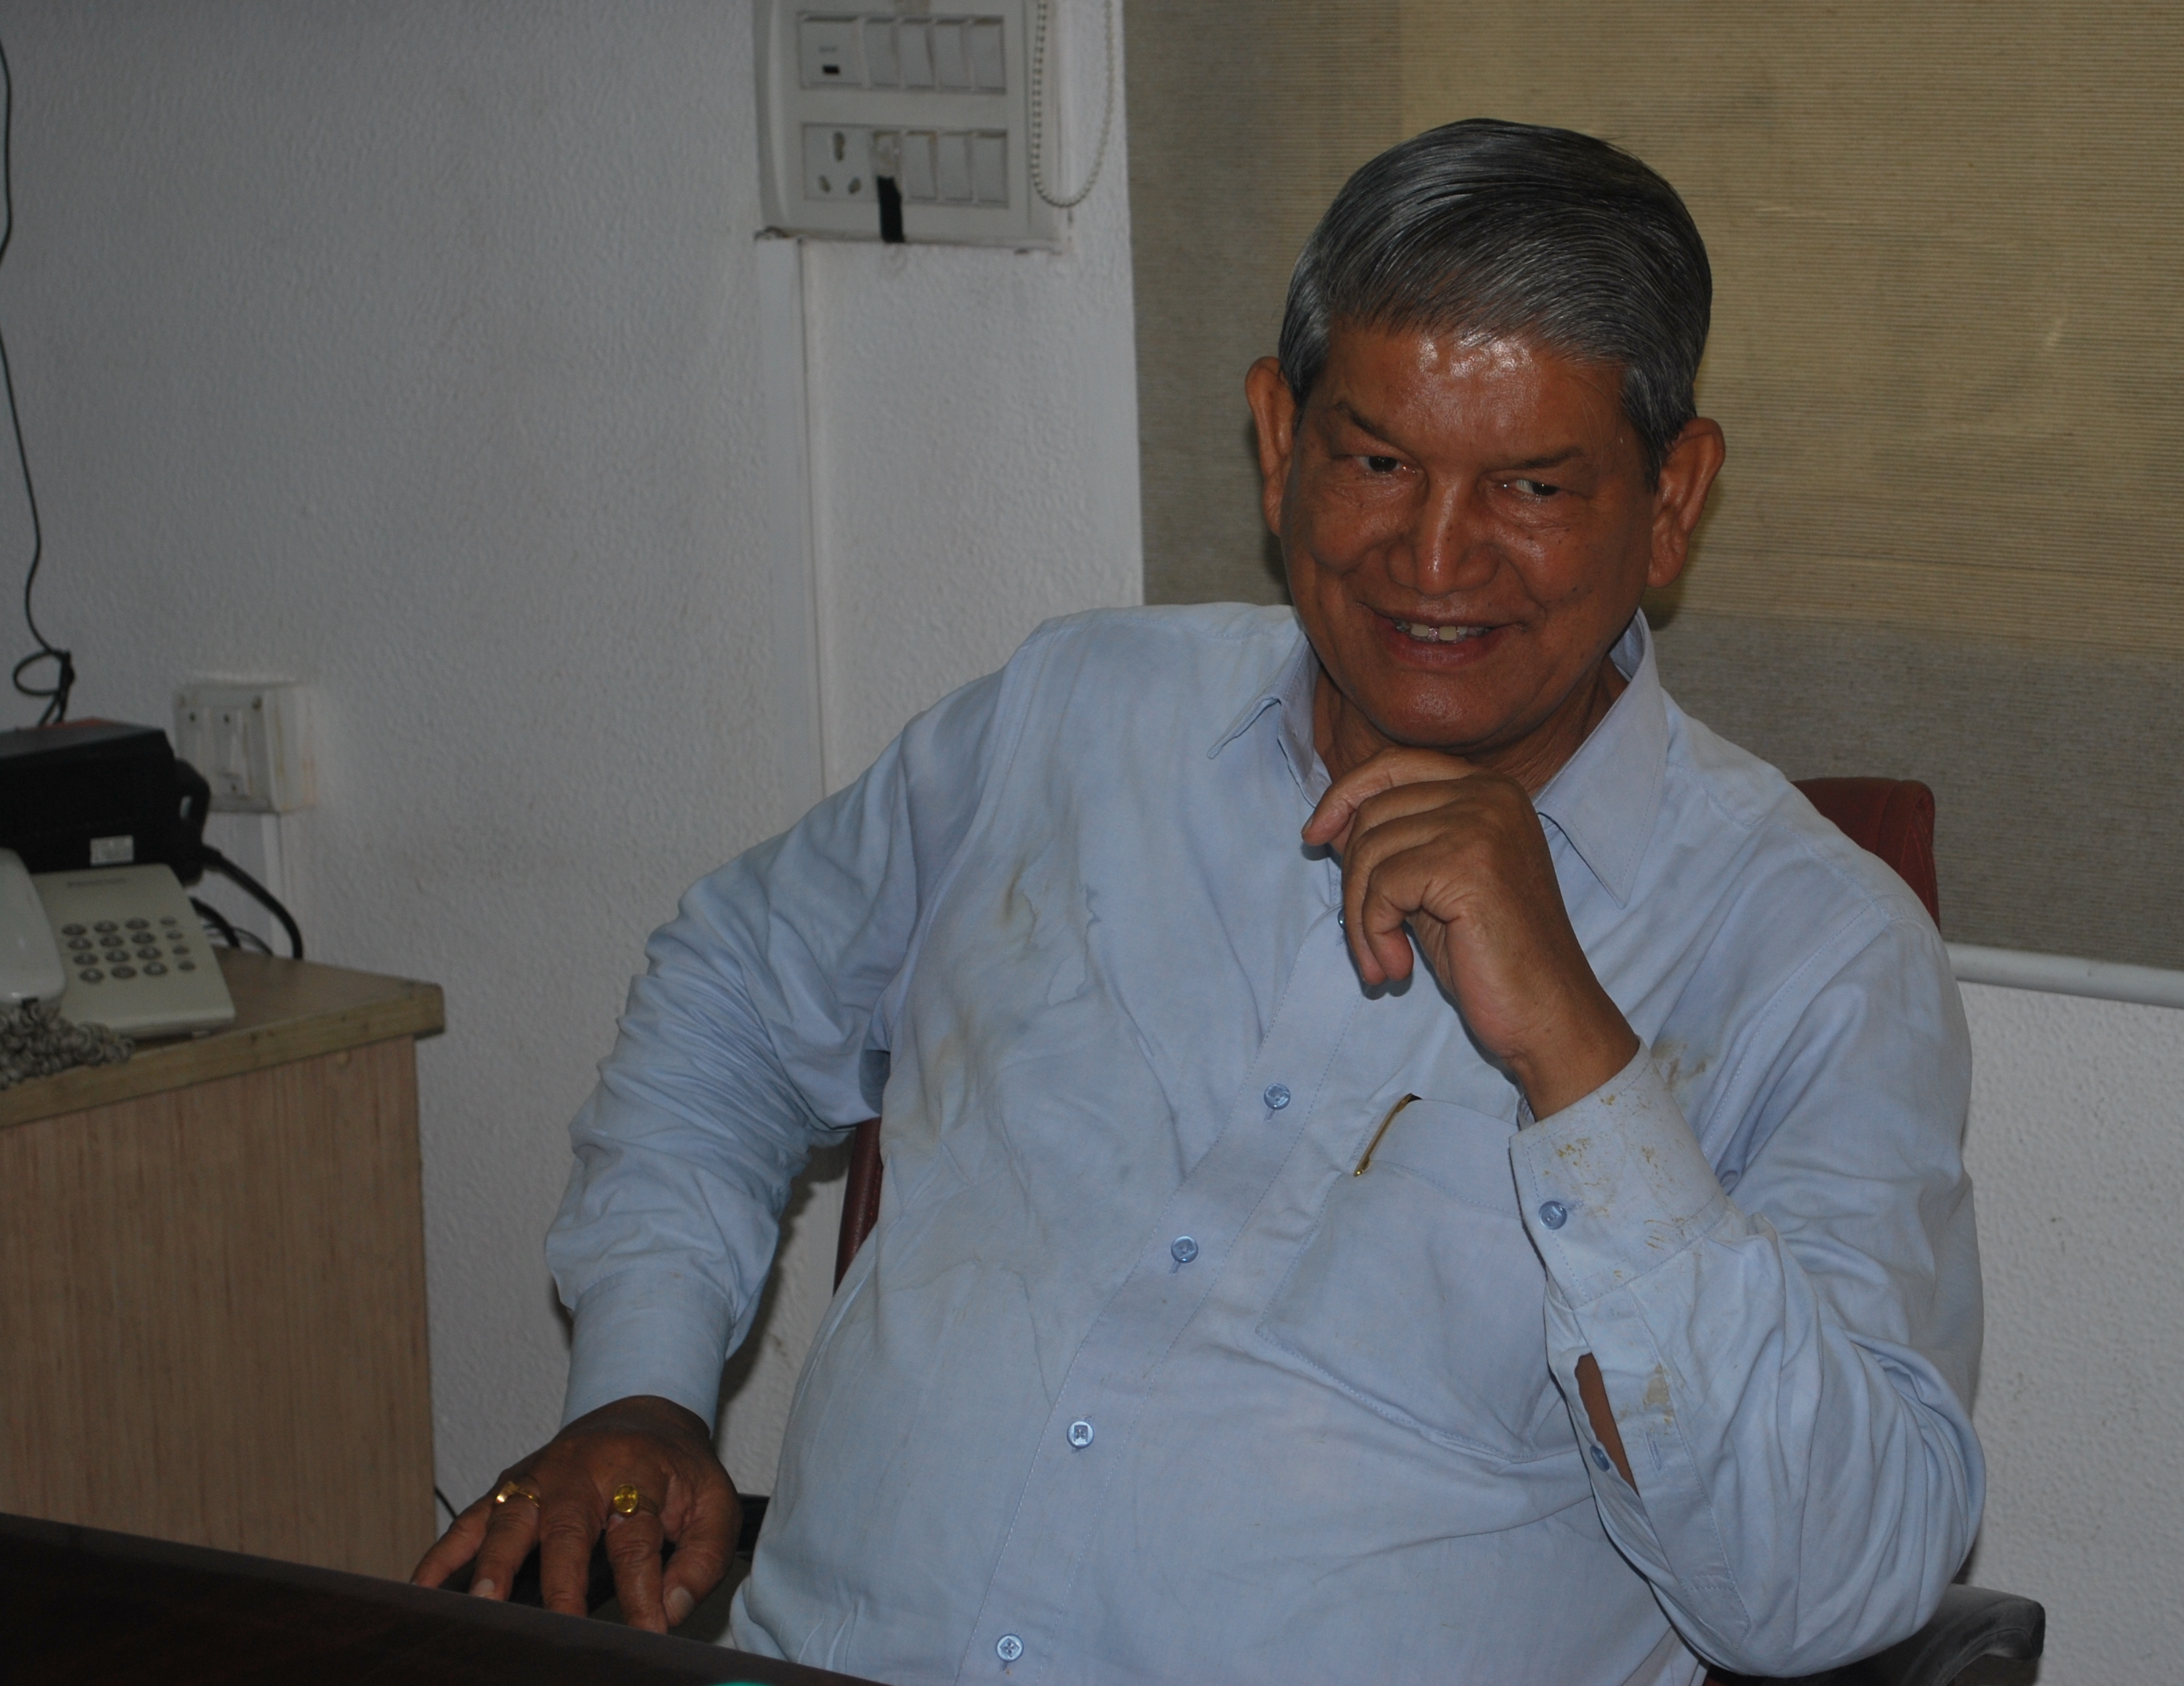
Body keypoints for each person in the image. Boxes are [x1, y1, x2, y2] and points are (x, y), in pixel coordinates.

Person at [414, 119, 1984, 1686]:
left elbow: (1827, 1588)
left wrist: (1580, 1061)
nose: (1437, 560)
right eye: (1378, 463)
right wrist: (640, 1384)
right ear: (1276, 441)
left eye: (1530, 486)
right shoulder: (1068, 719)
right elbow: (733, 996)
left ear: (1671, 498)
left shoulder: (1813, 951)